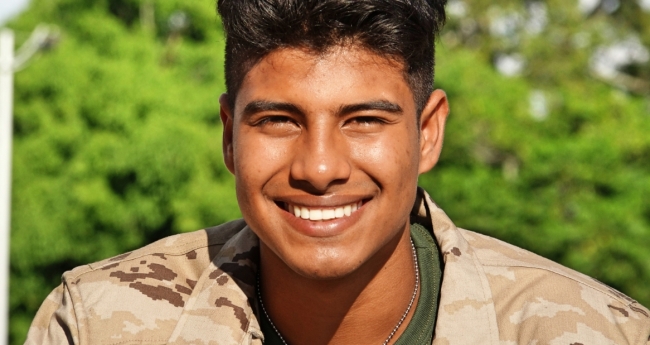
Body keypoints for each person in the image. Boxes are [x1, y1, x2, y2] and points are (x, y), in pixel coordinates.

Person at [26, 0, 650, 344]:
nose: (319, 168)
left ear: (427, 131)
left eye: (364, 121)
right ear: (228, 136)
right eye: (277, 121)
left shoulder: (593, 333)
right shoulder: (101, 323)